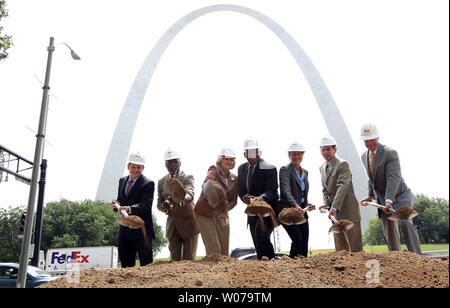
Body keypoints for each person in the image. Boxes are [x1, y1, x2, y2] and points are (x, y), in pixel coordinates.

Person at [359, 123, 422, 254]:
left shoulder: (390, 153)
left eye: (372, 139)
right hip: (382, 198)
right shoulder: (364, 156)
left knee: (405, 223)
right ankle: (396, 257)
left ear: (377, 138)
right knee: (389, 229)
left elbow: (393, 178)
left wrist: (389, 199)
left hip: (399, 195)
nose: (370, 143)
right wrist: (370, 195)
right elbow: (372, 179)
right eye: (366, 140)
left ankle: (417, 256)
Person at [318, 135, 363, 252]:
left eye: (328, 149)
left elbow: (342, 186)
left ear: (335, 149)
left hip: (348, 212)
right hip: (335, 215)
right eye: (323, 149)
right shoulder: (322, 167)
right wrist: (327, 204)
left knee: (354, 249)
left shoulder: (342, 165)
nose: (325, 152)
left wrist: (334, 207)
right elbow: (325, 189)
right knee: (341, 251)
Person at [238, 137, 279, 260]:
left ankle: (271, 262)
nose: (252, 155)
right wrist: (244, 198)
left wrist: (260, 198)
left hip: (267, 211)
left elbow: (273, 192)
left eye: (255, 151)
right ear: (245, 154)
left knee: (261, 235)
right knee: (257, 241)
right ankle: (263, 270)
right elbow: (241, 191)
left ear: (259, 152)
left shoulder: (269, 168)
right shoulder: (242, 169)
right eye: (249, 152)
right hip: (252, 213)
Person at [113, 152, 155, 268]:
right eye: (133, 167)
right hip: (125, 228)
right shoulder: (122, 181)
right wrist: (117, 205)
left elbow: (146, 205)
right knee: (126, 265)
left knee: (146, 265)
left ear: (143, 168)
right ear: (128, 167)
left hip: (142, 229)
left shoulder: (148, 183)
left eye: (139, 167)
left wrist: (129, 208)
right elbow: (121, 200)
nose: (136, 170)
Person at [195, 148, 239, 256]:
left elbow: (234, 200)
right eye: (226, 159)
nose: (229, 162)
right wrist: (210, 188)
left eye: (232, 159)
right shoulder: (214, 170)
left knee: (224, 250)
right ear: (220, 160)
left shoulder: (235, 178)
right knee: (214, 248)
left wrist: (223, 209)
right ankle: (211, 272)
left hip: (222, 214)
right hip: (205, 213)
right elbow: (207, 182)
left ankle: (224, 272)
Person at [156, 148, 199, 261]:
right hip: (172, 225)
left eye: (175, 161)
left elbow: (189, 194)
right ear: (165, 164)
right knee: (174, 262)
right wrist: (164, 207)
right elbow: (159, 203)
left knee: (188, 260)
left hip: (188, 224)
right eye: (169, 162)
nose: (172, 165)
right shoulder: (161, 182)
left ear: (180, 162)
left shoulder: (187, 177)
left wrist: (178, 200)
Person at [278, 141, 311, 258]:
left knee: (304, 243)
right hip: (289, 211)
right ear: (289, 155)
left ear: (302, 155)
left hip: (301, 211)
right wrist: (295, 205)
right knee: (297, 240)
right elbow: (285, 191)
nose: (296, 157)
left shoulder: (305, 172)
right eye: (293, 154)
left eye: (299, 154)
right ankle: (292, 267)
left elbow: (302, 192)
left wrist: (306, 203)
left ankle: (304, 270)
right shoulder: (285, 170)